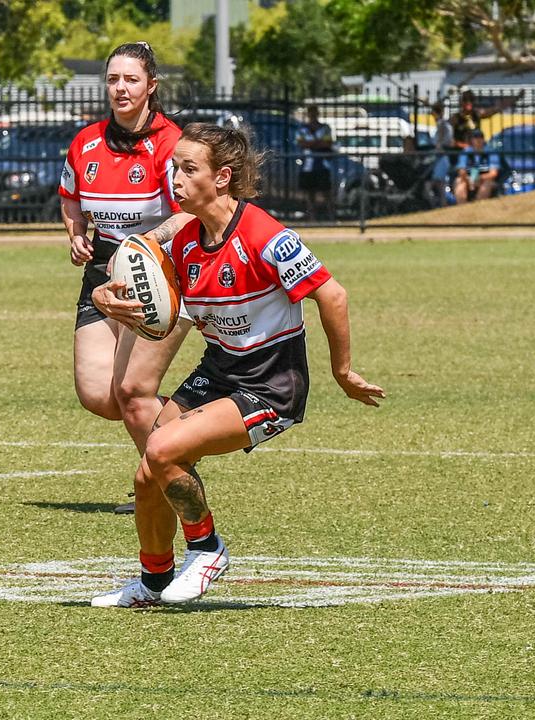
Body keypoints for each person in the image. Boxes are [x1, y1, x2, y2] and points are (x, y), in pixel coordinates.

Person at [87, 122, 385, 607]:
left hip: (270, 385)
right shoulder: (185, 242)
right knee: (148, 472)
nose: (174, 178)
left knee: (161, 449)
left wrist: (342, 371)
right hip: (221, 371)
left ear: (222, 177)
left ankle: (206, 548)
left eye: (187, 169)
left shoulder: (263, 235)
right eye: (172, 167)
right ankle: (152, 582)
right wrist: (107, 297)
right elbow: (137, 286)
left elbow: (332, 294)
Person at [59, 42, 193, 515]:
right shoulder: (86, 142)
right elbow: (71, 196)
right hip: (101, 270)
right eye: (113, 79)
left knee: (131, 391)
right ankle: (187, 426)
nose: (120, 88)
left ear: (151, 86)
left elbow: (186, 216)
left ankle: (164, 479)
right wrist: (76, 234)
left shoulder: (169, 143)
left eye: (131, 79)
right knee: (99, 395)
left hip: (157, 269)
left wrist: (145, 243)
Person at [295, 105, 335, 220]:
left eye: (314, 113)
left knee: (326, 192)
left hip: (322, 165)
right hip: (307, 167)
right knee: (309, 193)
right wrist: (319, 142)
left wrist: (311, 143)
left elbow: (327, 143)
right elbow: (302, 143)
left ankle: (331, 217)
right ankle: (312, 218)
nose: (312, 115)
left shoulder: (325, 128)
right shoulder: (302, 128)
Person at [451, 89, 520, 147]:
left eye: (471, 100)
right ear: (461, 102)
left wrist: (514, 99)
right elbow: (449, 140)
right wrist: (464, 145)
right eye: (466, 100)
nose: (468, 102)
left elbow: (496, 109)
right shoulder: (456, 118)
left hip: (476, 151)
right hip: (459, 153)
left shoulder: (477, 114)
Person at [452, 129, 501, 203]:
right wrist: (469, 179)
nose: (478, 139)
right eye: (475, 137)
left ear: (483, 139)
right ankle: (462, 207)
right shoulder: (466, 151)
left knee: (487, 183)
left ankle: (477, 206)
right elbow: (461, 170)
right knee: (459, 181)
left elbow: (493, 173)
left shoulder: (490, 152)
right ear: (471, 140)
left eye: (480, 137)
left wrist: (479, 178)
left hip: (485, 179)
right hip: (468, 179)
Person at [428, 101, 456, 207]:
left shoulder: (442, 124)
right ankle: (442, 203)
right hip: (442, 157)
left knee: (438, 183)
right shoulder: (446, 124)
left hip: (441, 158)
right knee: (440, 184)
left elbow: (440, 142)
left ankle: (440, 204)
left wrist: (437, 146)